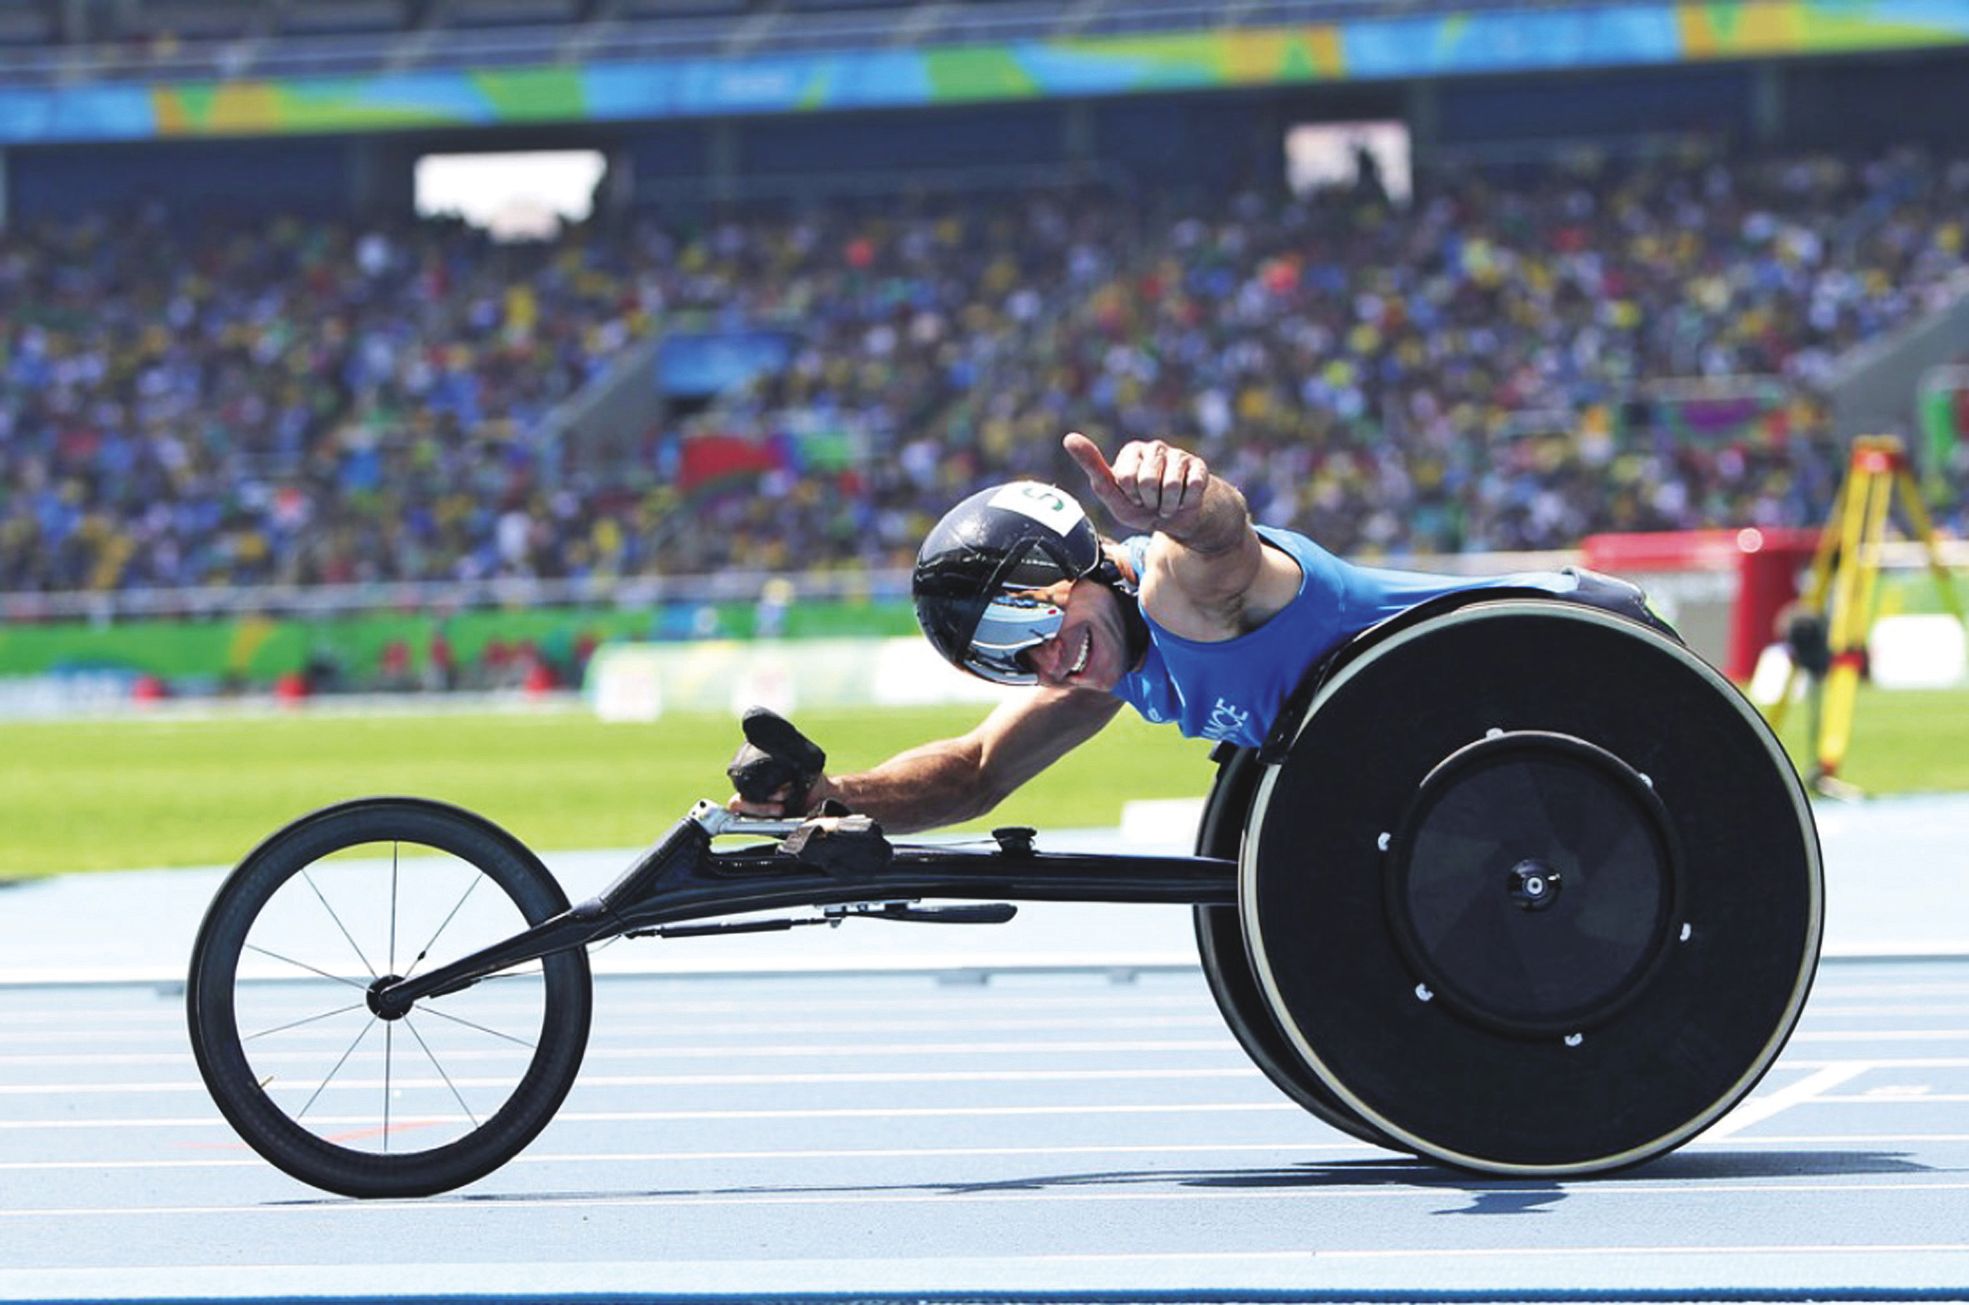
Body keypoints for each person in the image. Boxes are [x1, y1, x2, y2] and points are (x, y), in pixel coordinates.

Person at [729, 432, 1659, 833]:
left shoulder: (1176, 589)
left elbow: (1220, 542)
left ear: (1076, 555)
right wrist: (827, 796)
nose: (1047, 659)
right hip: (1513, 737)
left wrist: (1184, 499)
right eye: (1008, 659)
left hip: (1582, 651)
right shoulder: (1103, 664)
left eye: (1029, 616)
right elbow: (973, 774)